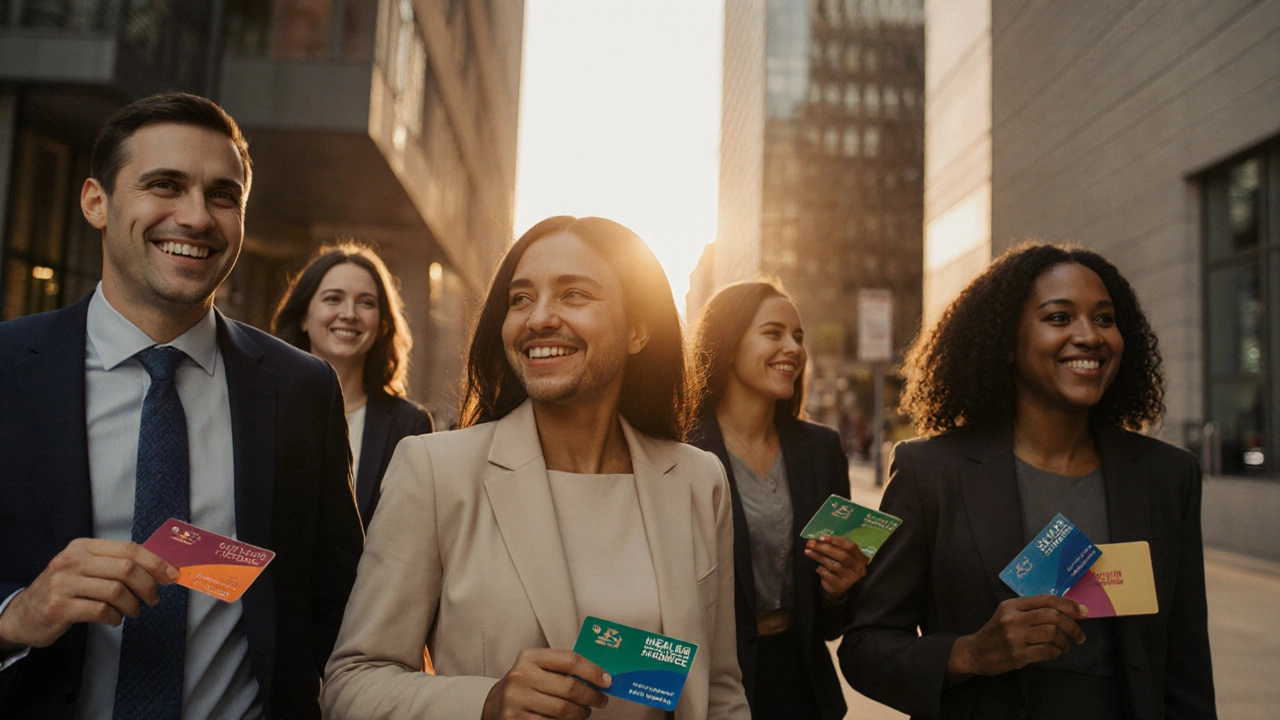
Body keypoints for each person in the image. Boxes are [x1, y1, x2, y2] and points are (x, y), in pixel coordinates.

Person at [0, 92, 364, 719]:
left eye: (223, 195)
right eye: (164, 185)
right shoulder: (7, 370)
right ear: (96, 201)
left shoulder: (302, 389)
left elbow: (340, 609)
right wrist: (16, 615)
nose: (196, 217)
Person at [322, 216, 750, 720]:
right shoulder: (436, 472)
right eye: (520, 298)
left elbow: (719, 691)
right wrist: (484, 703)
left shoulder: (699, 481)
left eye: (574, 295)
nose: (539, 318)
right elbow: (350, 686)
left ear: (638, 330)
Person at [838, 243, 1216, 719]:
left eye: (1103, 318)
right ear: (1006, 341)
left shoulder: (1167, 475)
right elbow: (865, 649)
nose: (1089, 336)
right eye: (1059, 318)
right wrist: (969, 653)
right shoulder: (931, 472)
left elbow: (1187, 668)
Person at [689, 280, 867, 720]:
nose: (793, 348)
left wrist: (841, 590)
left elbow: (834, 623)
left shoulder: (822, 449)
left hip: (803, 688)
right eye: (774, 333)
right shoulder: (679, 449)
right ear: (728, 347)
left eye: (799, 337)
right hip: (707, 685)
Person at [272, 242, 433, 528]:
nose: (349, 313)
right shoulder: (261, 406)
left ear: (382, 324)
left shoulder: (409, 426)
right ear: (302, 317)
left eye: (366, 302)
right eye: (333, 299)